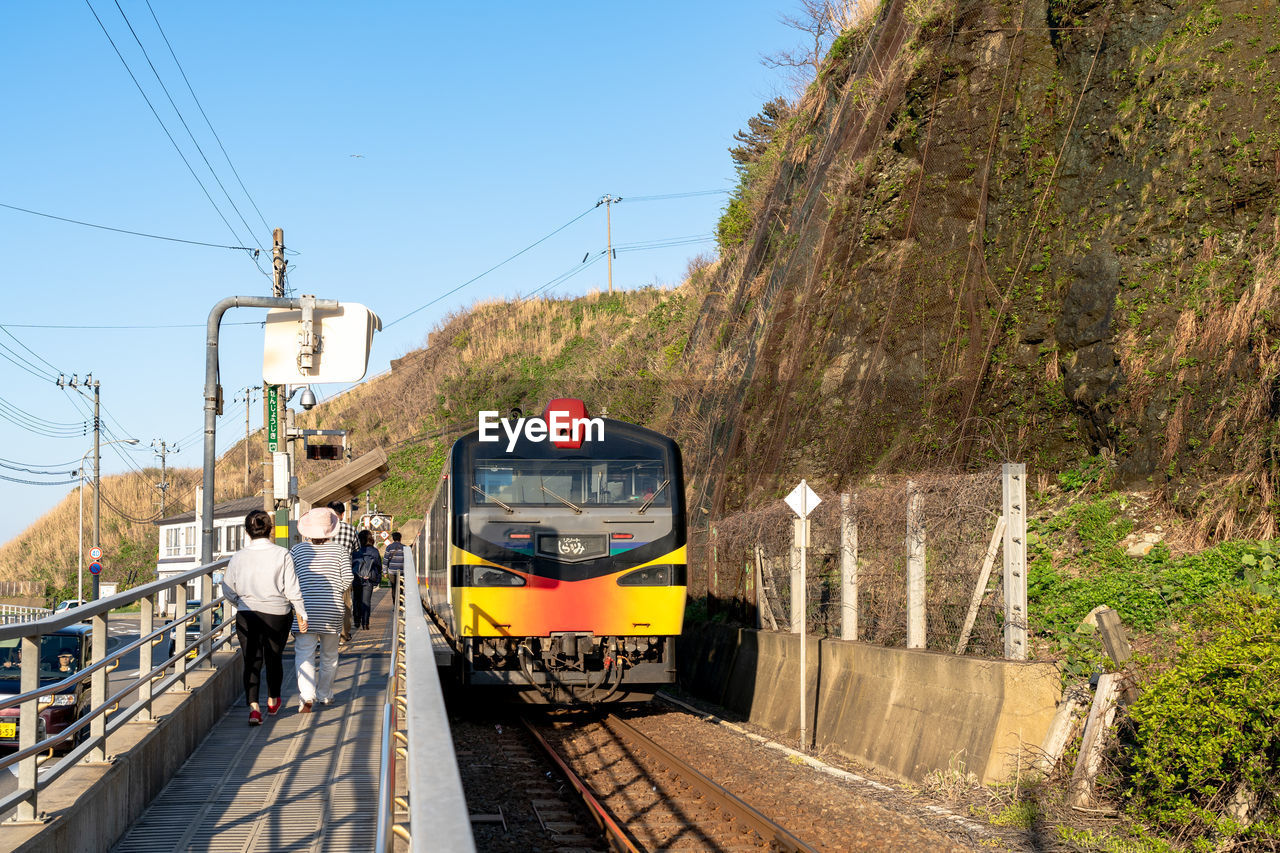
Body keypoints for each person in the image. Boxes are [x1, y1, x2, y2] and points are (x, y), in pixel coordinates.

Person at [221, 508, 309, 726]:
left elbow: (227, 589)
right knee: (274, 657)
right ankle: (272, 701)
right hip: (277, 614)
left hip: (247, 614)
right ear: (270, 530)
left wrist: (240, 602)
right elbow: (292, 589)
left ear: (247, 531)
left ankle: (254, 709)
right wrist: (301, 613)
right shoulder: (282, 554)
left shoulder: (238, 557)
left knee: (252, 660)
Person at [290, 507, 352, 712]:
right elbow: (348, 580)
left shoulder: (297, 551)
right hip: (332, 609)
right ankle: (325, 694)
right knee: (329, 655)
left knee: (304, 654)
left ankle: (307, 696)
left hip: (304, 609)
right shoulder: (340, 550)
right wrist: (334, 591)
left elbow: (291, 581)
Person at [328, 501, 359, 643]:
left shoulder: (323, 529)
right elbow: (356, 549)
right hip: (344, 573)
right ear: (342, 514)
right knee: (345, 604)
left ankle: (326, 633)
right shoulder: (351, 530)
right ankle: (343, 635)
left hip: (325, 574)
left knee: (326, 603)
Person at [351, 530, 383, 631]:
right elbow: (378, 566)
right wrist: (376, 577)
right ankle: (365, 624)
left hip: (356, 578)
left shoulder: (355, 551)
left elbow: (351, 564)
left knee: (356, 600)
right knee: (366, 601)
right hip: (368, 579)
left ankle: (356, 621)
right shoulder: (374, 551)